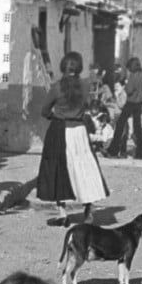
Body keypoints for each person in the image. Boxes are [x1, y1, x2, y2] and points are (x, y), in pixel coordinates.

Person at [35, 51, 110, 224]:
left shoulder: (56, 87)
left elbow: (45, 111)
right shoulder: (85, 86)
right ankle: (88, 209)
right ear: (79, 68)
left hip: (60, 130)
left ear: (63, 67)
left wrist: (55, 115)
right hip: (79, 132)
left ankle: (63, 214)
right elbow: (87, 105)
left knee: (58, 170)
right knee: (84, 168)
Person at [107, 57, 142, 158]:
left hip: (130, 103)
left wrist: (125, 88)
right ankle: (139, 153)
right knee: (137, 127)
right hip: (139, 103)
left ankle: (113, 150)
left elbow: (129, 90)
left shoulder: (133, 76)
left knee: (120, 125)